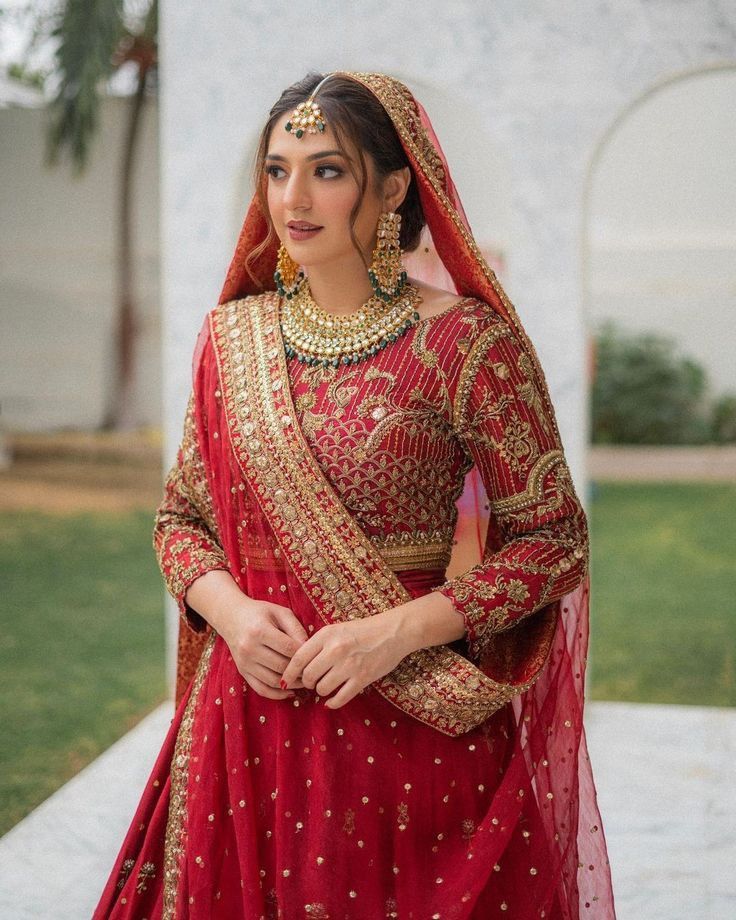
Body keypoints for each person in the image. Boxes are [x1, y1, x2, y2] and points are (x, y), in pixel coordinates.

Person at [93, 71, 615, 919]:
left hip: (413, 727)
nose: (292, 198)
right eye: (276, 169)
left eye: (327, 170)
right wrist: (230, 613)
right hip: (248, 725)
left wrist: (397, 632)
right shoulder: (234, 338)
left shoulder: (466, 344)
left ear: (397, 186)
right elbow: (181, 520)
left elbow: (553, 541)